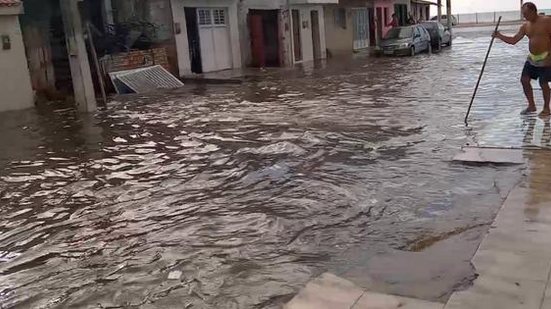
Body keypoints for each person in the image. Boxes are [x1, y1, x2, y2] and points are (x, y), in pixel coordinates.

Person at [493, 2, 551, 117]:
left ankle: (546, 108)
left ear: (534, 11)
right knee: (524, 80)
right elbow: (513, 40)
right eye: (523, 14)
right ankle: (531, 105)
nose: (524, 16)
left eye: (526, 13)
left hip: (547, 58)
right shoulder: (525, 26)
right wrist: (499, 36)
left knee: (543, 83)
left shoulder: (547, 21)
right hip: (532, 59)